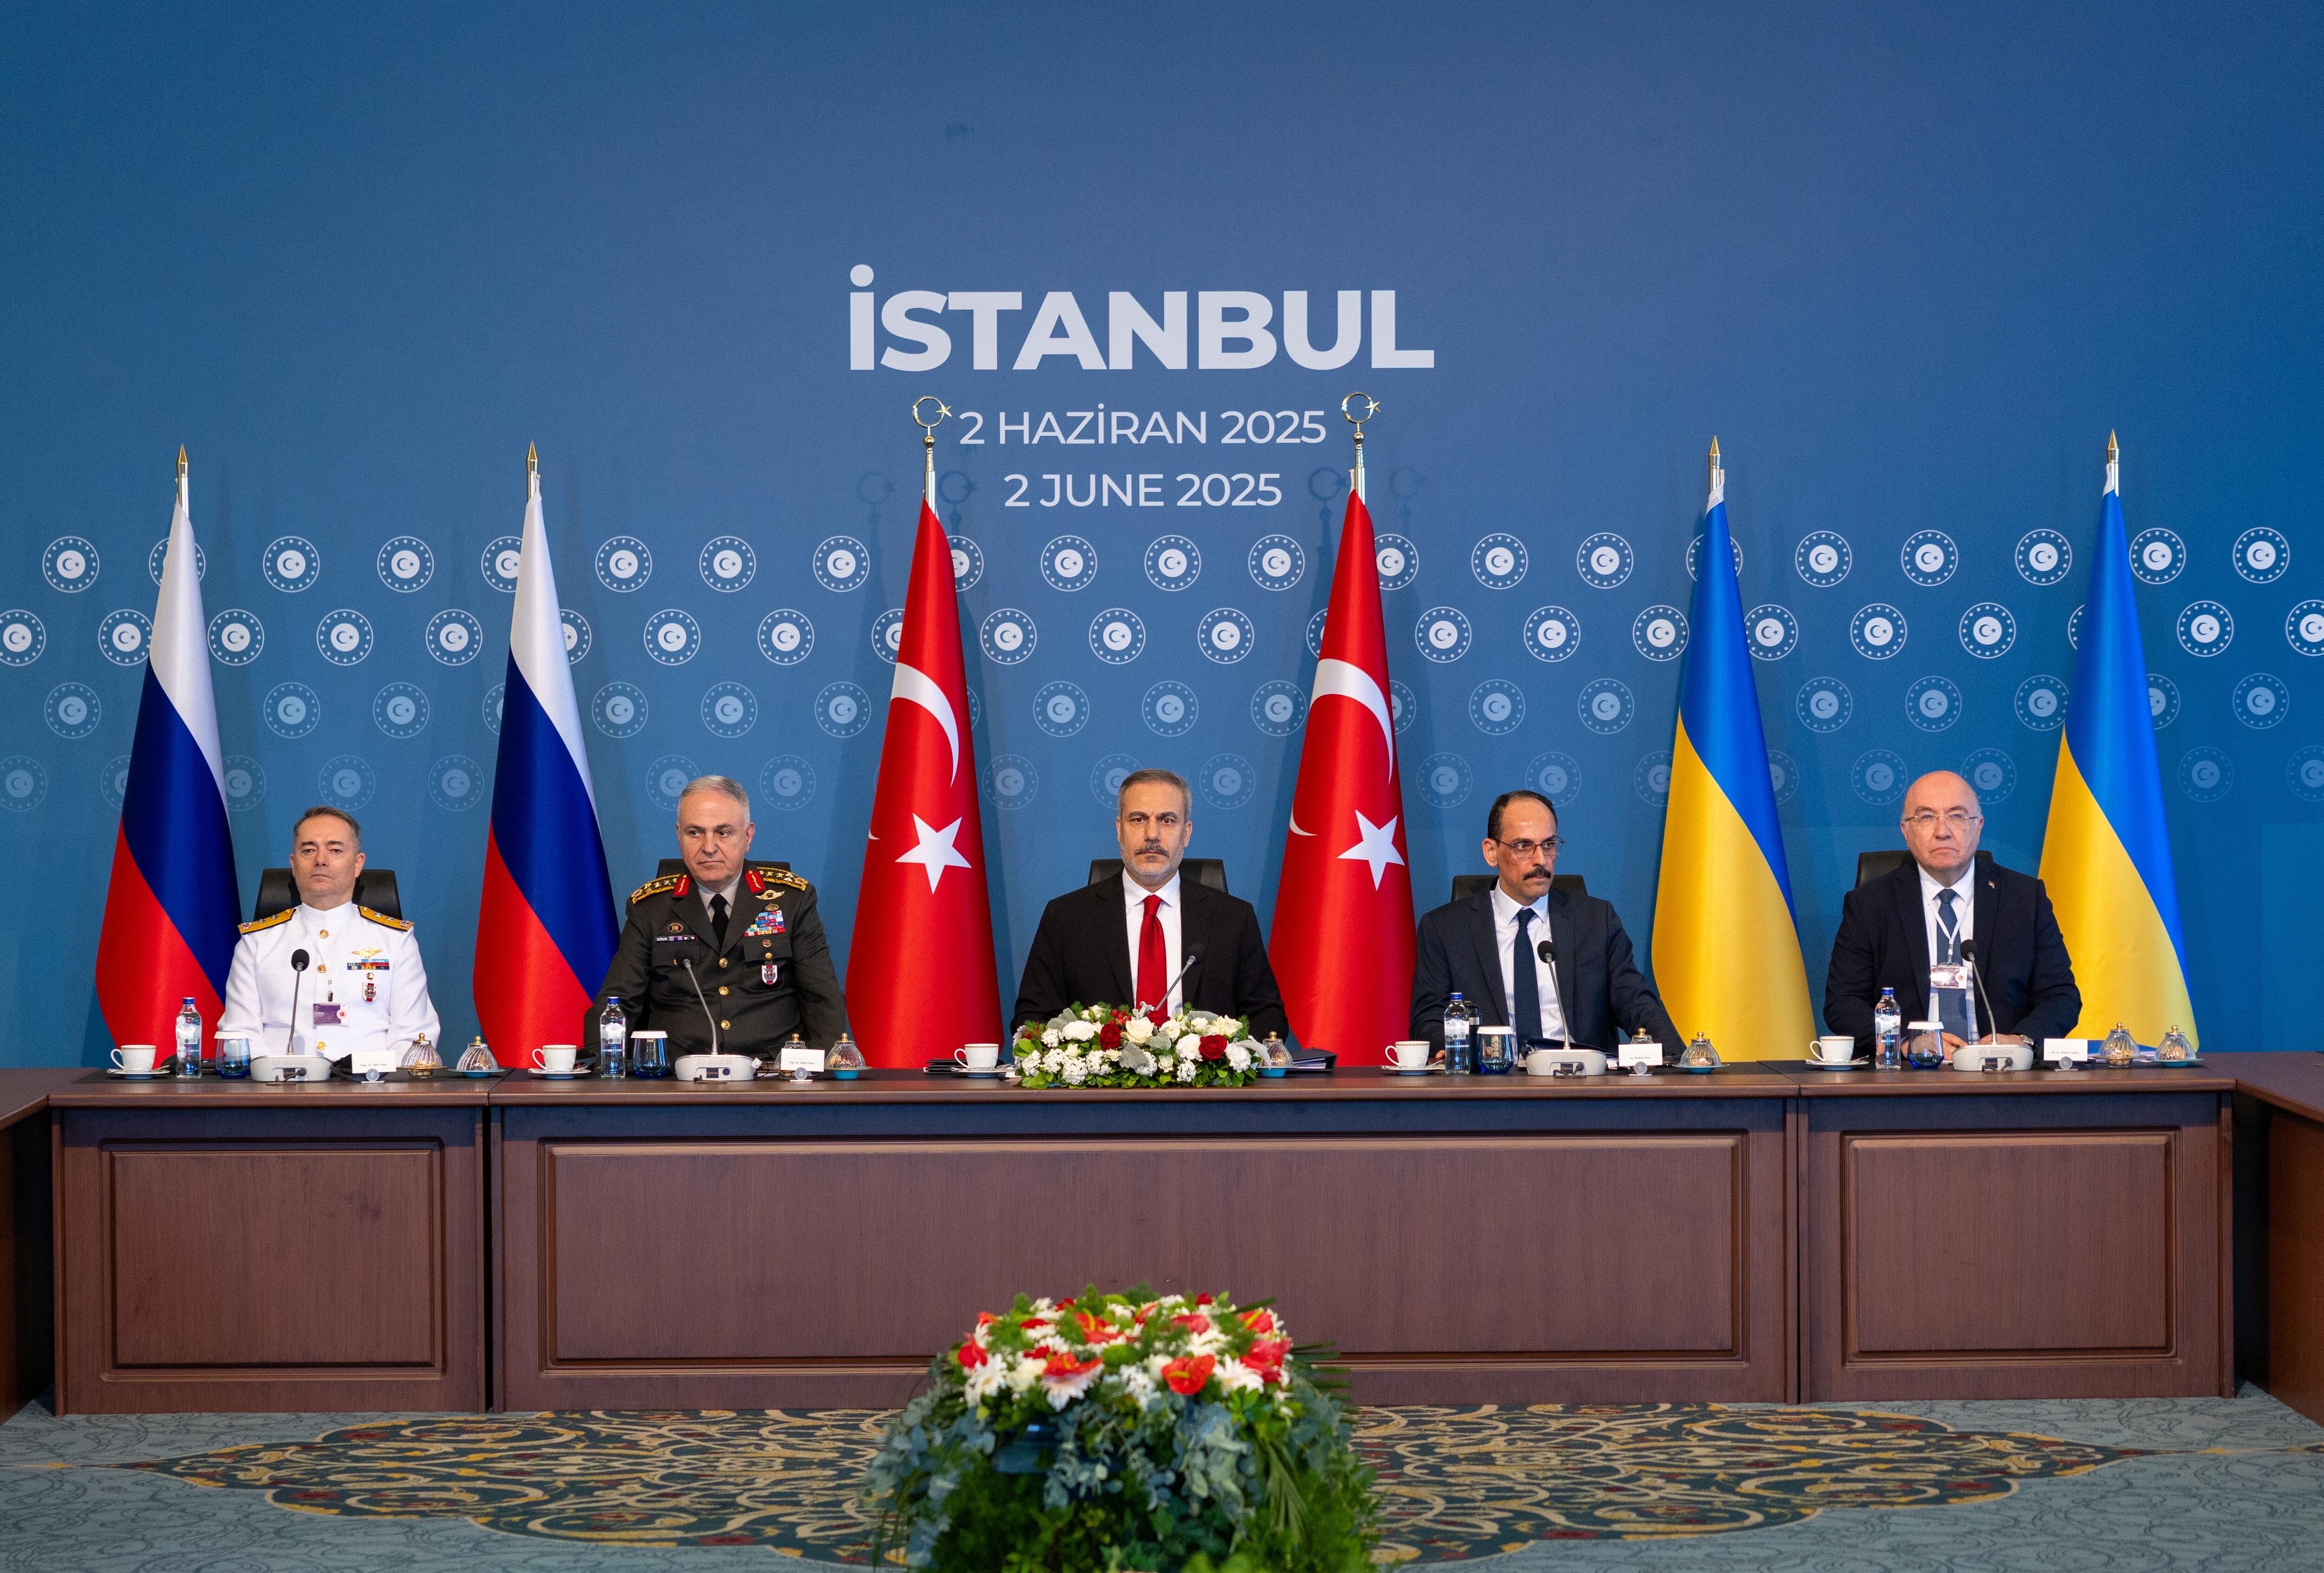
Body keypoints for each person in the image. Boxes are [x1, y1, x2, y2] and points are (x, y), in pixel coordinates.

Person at [1012, 768, 1289, 1037]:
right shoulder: (1067, 918)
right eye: (1138, 819)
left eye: (1168, 820)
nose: (1152, 835)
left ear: (1187, 833)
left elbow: (1267, 1017)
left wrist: (1219, 1051)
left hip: (1203, 1083)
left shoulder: (1233, 918)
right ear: (1119, 829)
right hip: (1101, 1083)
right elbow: (1033, 1018)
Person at [591, 775, 848, 1059]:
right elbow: (618, 1002)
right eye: (695, 833)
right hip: (677, 1079)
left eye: (723, 833)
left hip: (772, 1076)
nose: (709, 847)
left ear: (748, 836)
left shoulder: (791, 901)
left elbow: (821, 998)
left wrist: (827, 1079)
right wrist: (601, 1075)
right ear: (679, 835)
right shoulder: (650, 908)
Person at [1825, 769, 2080, 1053]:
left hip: (2001, 1072)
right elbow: (1843, 1003)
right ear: (1905, 831)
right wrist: (1906, 1044)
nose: (1943, 831)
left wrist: (2021, 1041)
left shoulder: (2024, 899)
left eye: (1957, 816)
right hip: (1909, 1075)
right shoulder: (1870, 904)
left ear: (1978, 826)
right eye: (1926, 817)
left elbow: (2060, 996)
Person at [1410, 789, 1679, 1055]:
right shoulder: (1446, 929)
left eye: (1549, 845)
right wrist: (1454, 1050)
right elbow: (1429, 1021)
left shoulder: (1596, 922)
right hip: (1490, 1085)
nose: (1540, 860)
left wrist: (1682, 1063)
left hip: (1581, 1085)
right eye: (1523, 846)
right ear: (1491, 852)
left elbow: (1637, 1005)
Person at [221, 805, 440, 1064]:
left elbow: (413, 1037)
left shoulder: (395, 940)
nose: (320, 860)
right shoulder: (257, 943)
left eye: (335, 850)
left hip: (373, 1090)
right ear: (294, 864)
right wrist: (276, 1077)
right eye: (308, 850)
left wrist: (380, 1079)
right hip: (281, 1090)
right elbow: (239, 1033)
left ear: (358, 864)